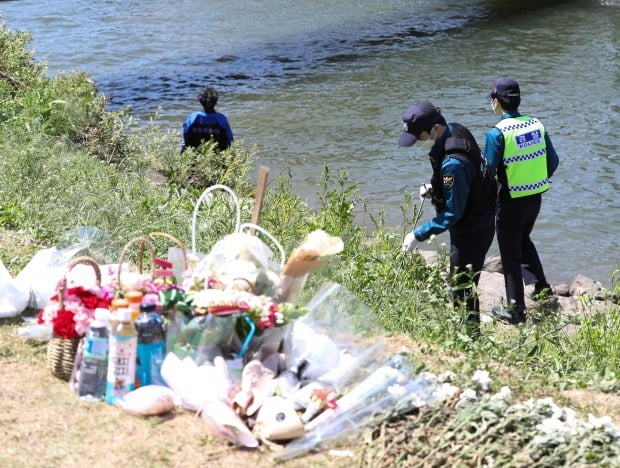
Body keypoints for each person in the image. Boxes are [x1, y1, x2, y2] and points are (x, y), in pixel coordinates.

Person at [399, 101, 496, 332]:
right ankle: (465, 331)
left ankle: (469, 336)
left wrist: (418, 234)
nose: (417, 141)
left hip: (473, 229)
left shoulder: (453, 164)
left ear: (434, 128)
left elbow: (453, 213)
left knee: (461, 287)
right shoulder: (456, 129)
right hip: (481, 213)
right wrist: (437, 188)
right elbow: (471, 175)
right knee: (462, 283)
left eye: (418, 135)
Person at [484, 78, 560, 325]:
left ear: (496, 101)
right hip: (535, 198)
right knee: (523, 238)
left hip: (509, 201)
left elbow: (488, 172)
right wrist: (536, 180)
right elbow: (553, 162)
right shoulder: (536, 124)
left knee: (510, 253)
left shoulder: (497, 133)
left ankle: (515, 311)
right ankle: (542, 287)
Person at [181, 85, 234, 153]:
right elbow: (229, 142)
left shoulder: (192, 118)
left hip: (195, 157)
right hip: (218, 158)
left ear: (200, 101)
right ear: (216, 101)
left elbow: (186, 142)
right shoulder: (221, 119)